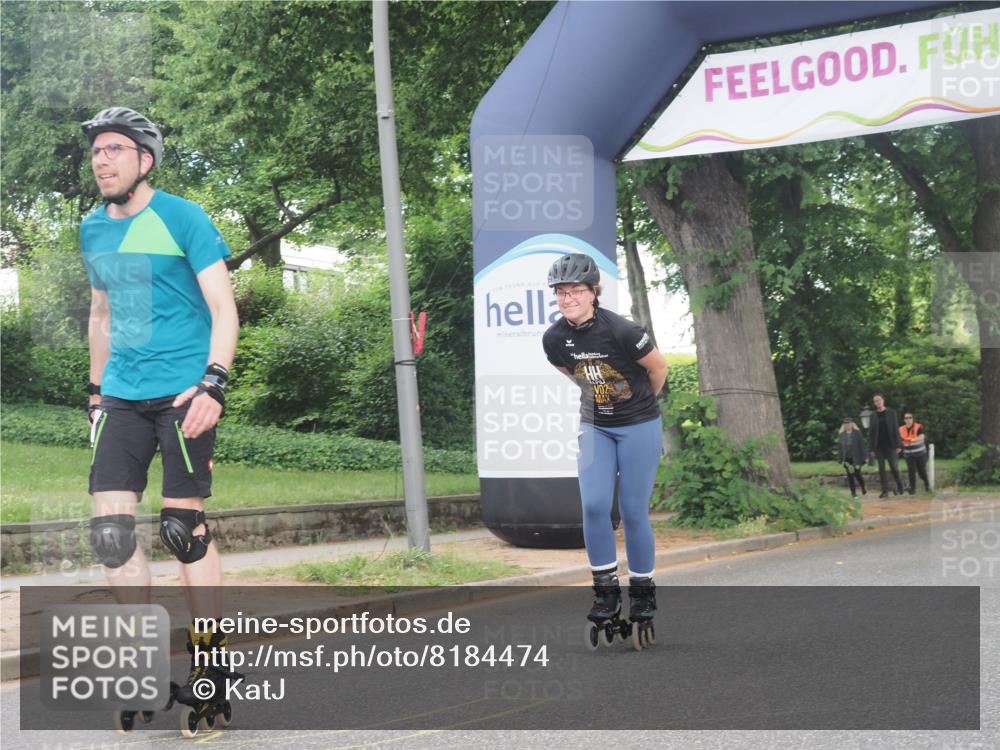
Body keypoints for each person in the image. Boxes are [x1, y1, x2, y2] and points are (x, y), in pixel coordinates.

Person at [80, 107, 239, 715]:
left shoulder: (182, 216)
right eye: (97, 151)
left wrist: (213, 385)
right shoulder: (93, 229)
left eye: (116, 148)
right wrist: (95, 395)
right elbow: (101, 316)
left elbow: (223, 309)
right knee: (112, 533)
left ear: (145, 160)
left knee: (183, 531)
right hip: (121, 392)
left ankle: (210, 671)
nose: (102, 159)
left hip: (183, 393)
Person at [541, 254, 667, 644]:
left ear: (593, 292)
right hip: (596, 426)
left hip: (639, 426)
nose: (568, 298)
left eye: (576, 290)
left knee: (632, 510)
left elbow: (658, 368)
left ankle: (642, 592)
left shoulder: (623, 331)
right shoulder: (554, 338)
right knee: (595, 505)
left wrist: (639, 408)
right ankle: (606, 591)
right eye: (561, 292)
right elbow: (573, 375)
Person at [867, 393, 904, 498]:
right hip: (878, 446)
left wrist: (898, 445)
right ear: (874, 403)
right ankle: (885, 491)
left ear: (883, 401)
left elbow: (895, 429)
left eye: (879, 400)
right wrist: (871, 449)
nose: (877, 402)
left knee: (893, 467)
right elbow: (871, 433)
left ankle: (900, 484)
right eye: (875, 401)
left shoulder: (891, 412)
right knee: (881, 468)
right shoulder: (872, 416)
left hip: (890, 445)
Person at [899, 412, 931, 494]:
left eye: (910, 417)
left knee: (921, 471)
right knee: (911, 471)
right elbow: (898, 440)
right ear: (904, 420)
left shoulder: (918, 426)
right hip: (908, 454)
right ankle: (912, 489)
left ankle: (927, 485)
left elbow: (922, 436)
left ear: (912, 419)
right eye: (906, 418)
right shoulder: (901, 429)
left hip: (920, 453)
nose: (908, 419)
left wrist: (913, 439)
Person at [838, 418, 868, 498]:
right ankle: (853, 493)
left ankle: (863, 486)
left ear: (852, 424)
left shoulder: (857, 433)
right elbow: (840, 448)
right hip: (847, 458)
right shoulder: (842, 435)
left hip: (856, 457)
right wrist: (840, 459)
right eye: (846, 424)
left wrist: (865, 457)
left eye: (849, 423)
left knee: (857, 474)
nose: (847, 425)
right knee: (850, 475)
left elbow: (862, 445)